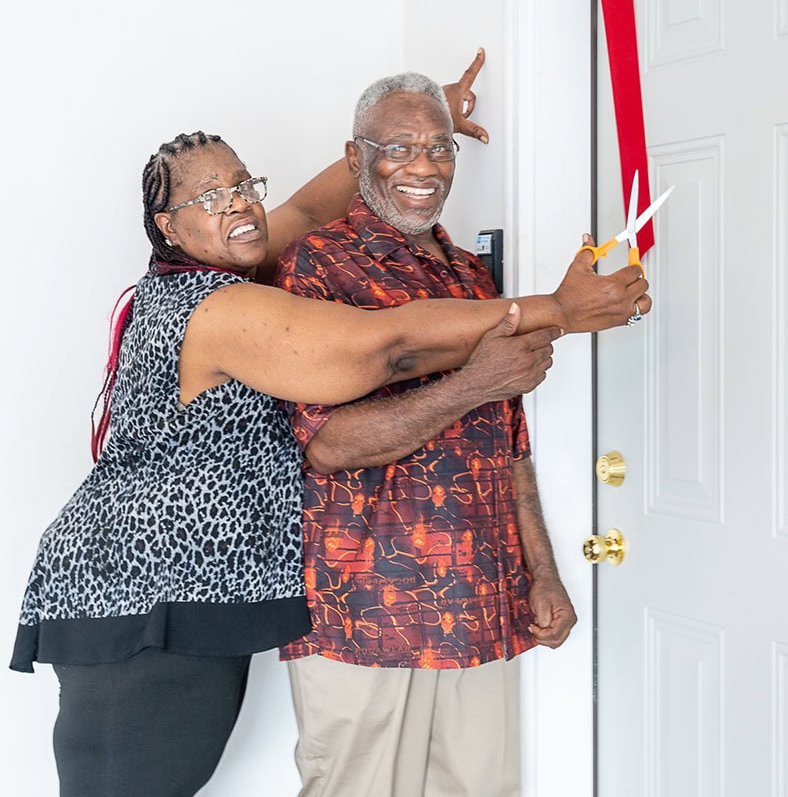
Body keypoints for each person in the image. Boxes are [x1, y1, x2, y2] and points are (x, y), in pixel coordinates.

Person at [9, 58, 649, 797]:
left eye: (245, 185)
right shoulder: (215, 309)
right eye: (212, 197)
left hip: (191, 594)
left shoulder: (231, 265)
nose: (240, 205)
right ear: (168, 226)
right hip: (139, 590)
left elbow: (310, 211)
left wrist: (417, 123)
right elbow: (387, 347)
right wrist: (556, 311)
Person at [275, 71, 651, 796]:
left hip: (478, 603)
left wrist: (542, 571)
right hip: (363, 609)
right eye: (399, 147)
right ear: (355, 160)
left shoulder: (476, 280)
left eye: (440, 147)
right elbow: (329, 444)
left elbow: (509, 448)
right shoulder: (315, 268)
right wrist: (474, 381)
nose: (424, 166)